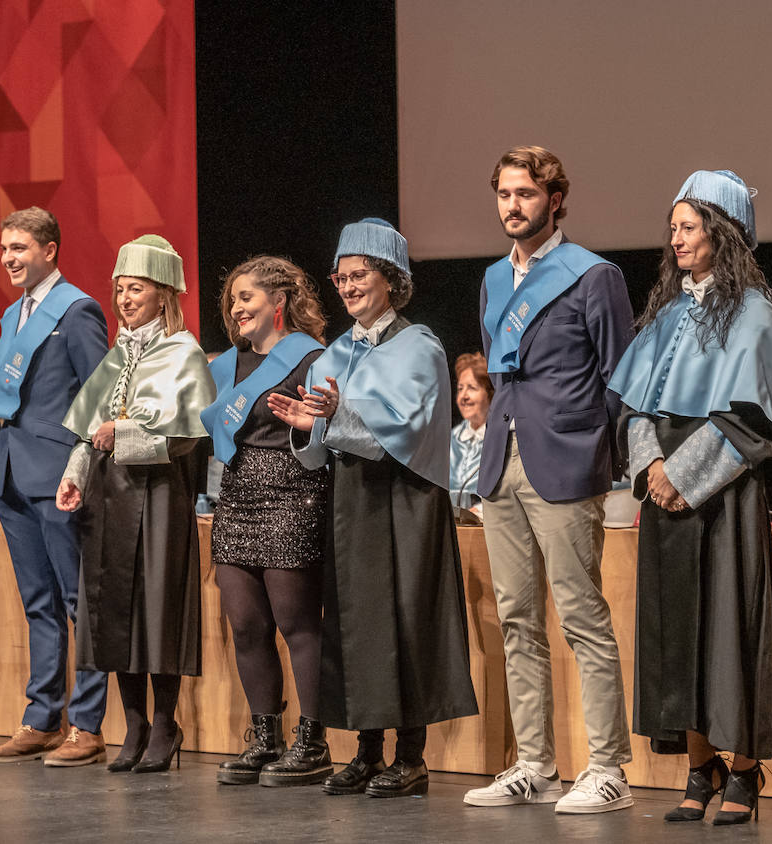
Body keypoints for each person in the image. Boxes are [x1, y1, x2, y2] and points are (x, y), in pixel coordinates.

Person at [608, 170, 772, 826]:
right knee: (673, 635)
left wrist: (684, 476)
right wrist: (652, 467)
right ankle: (698, 766)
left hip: (723, 497)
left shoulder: (753, 314)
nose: (676, 238)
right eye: (673, 228)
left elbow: (754, 418)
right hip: (665, 495)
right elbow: (634, 409)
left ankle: (743, 769)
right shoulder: (664, 315)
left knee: (726, 632)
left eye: (689, 227)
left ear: (722, 233)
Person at [270, 217, 478, 798]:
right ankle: (366, 750)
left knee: (406, 620)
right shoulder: (331, 353)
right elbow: (316, 455)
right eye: (341, 277)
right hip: (352, 503)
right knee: (358, 624)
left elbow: (408, 429)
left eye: (359, 275)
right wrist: (309, 426)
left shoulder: (421, 346)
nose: (348, 285)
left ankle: (410, 756)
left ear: (390, 278)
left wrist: (336, 417)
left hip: (407, 500)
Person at [466, 146, 636, 813]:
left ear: (555, 200)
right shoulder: (490, 279)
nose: (514, 206)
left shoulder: (594, 276)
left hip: (566, 460)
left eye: (527, 195)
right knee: (516, 618)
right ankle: (535, 764)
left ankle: (609, 769)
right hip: (501, 458)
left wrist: (607, 461)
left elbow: (618, 377)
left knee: (581, 615)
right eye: (505, 194)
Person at [57, 235, 216, 774]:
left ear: (164, 293)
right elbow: (87, 433)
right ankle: (134, 723)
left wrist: (119, 433)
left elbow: (185, 437)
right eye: (119, 289)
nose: (124, 299)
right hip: (109, 497)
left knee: (155, 610)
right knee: (113, 613)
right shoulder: (117, 355)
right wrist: (75, 476)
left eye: (137, 288)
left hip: (158, 496)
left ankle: (166, 721)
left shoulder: (184, 354)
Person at [0, 207, 111, 766]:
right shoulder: (12, 314)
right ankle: (40, 717)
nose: (9, 258)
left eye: (20, 248)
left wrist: (77, 469)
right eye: (5, 248)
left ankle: (87, 724)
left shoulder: (77, 310)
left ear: (50, 250)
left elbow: (99, 396)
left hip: (58, 477)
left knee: (77, 601)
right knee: (38, 603)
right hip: (10, 472)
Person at [200, 256, 329, 787]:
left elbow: (325, 438)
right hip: (237, 495)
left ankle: (313, 740)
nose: (237, 309)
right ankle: (266, 737)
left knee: (297, 625)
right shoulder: (224, 365)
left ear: (279, 303)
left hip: (291, 492)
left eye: (246, 298)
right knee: (247, 626)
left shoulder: (312, 358)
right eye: (233, 300)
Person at [449, 351, 492, 512]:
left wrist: (480, 511)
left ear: (491, 393)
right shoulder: (449, 441)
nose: (464, 396)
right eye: (460, 388)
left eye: (472, 388)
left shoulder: (503, 441)